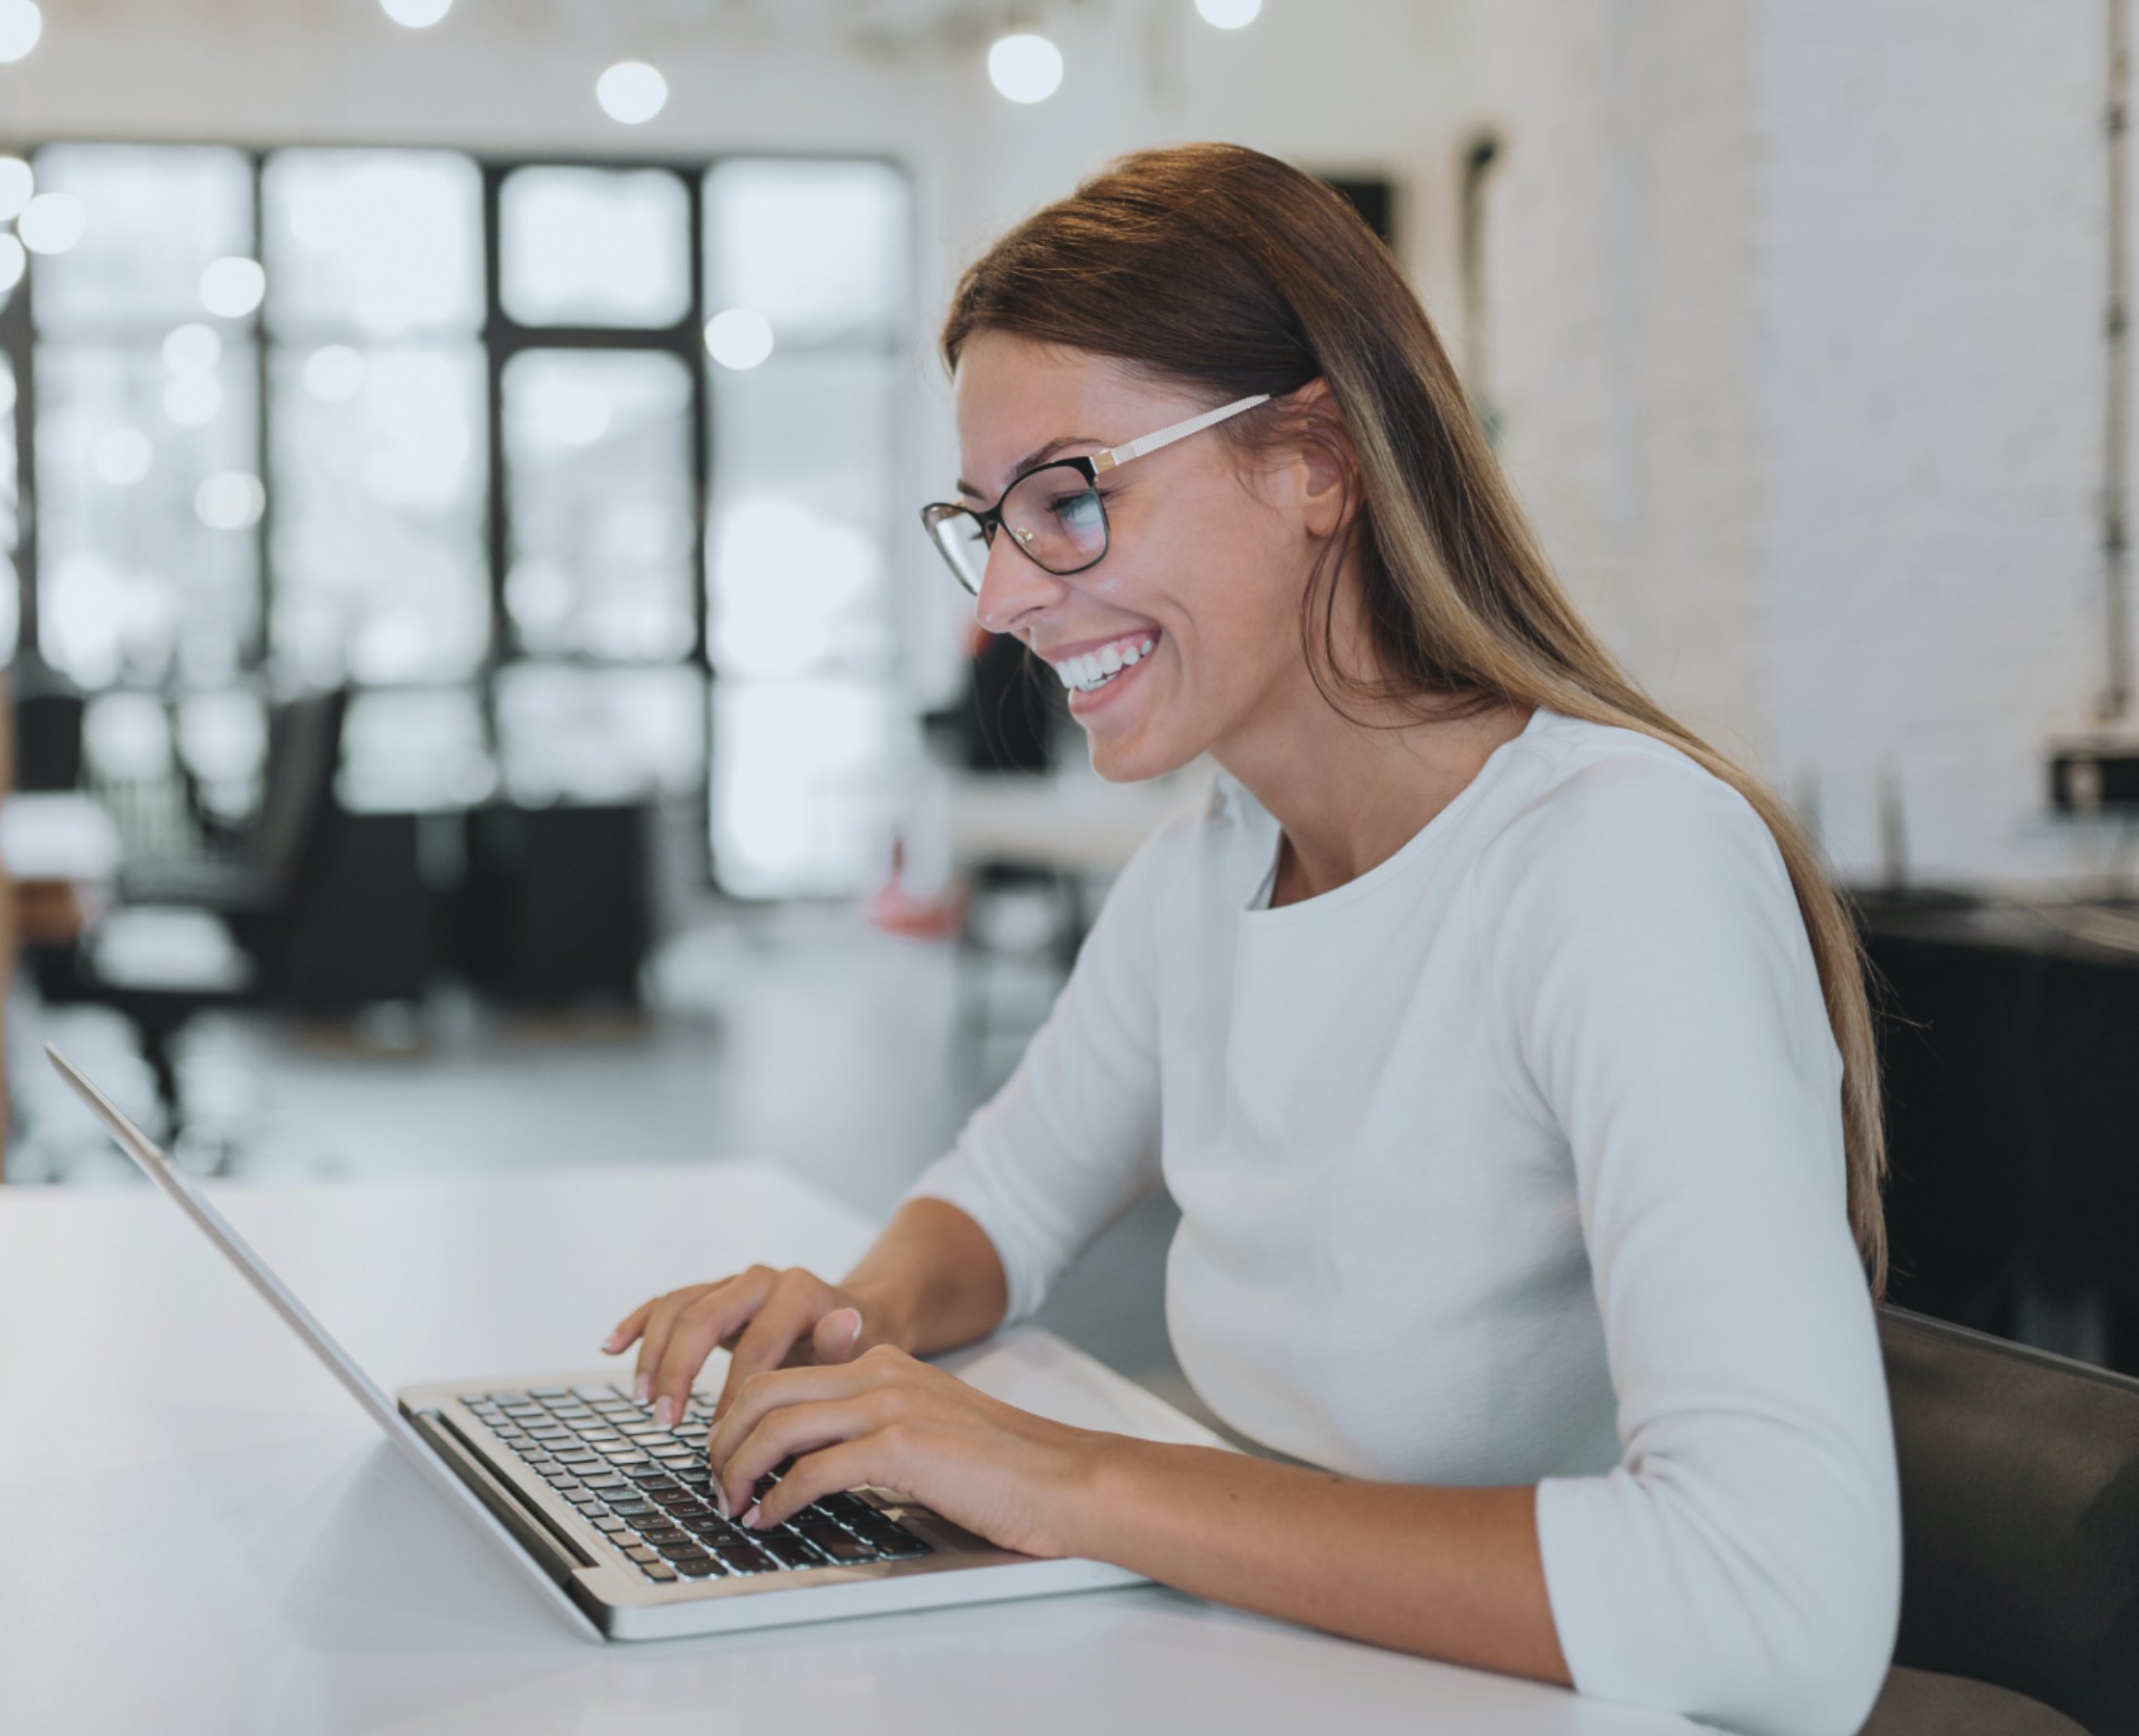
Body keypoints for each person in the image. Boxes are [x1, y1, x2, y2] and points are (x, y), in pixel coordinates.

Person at [606, 144, 1898, 1736]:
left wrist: (1063, 1474)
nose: (1005, 595)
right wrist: (849, 1325)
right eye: (987, 522)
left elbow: (1777, 1604)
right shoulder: (1213, 860)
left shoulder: (1621, 862)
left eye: (1070, 499)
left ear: (1317, 462)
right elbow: (1003, 1200)